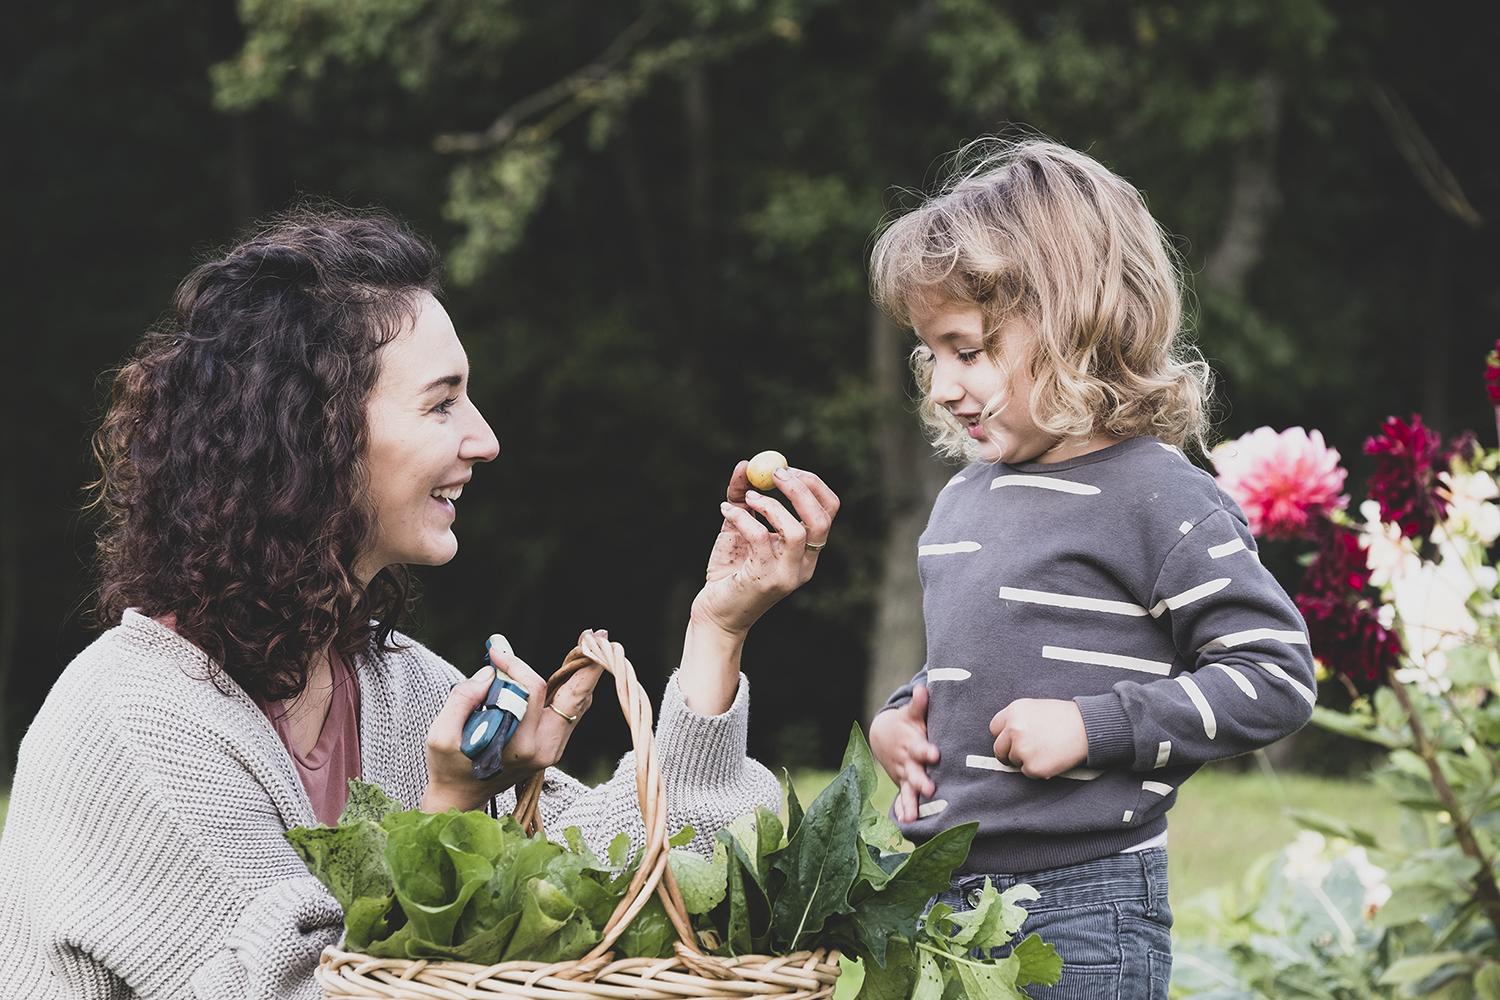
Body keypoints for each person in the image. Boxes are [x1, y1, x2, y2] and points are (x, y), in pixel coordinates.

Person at [0, 207, 839, 1000]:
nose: (485, 439)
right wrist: (457, 809)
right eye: (441, 403)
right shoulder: (133, 722)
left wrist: (717, 629)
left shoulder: (396, 689)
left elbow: (639, 872)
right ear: (311, 433)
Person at [865, 139, 1316, 998]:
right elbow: (982, 653)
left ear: (1074, 321)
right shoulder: (965, 498)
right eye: (932, 356)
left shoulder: (1160, 498)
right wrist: (904, 718)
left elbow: (1275, 676)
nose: (943, 388)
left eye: (969, 350)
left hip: (1085, 907)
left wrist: (1096, 727)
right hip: (947, 899)